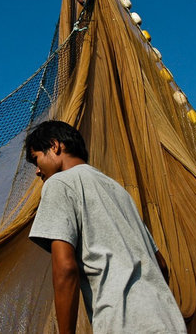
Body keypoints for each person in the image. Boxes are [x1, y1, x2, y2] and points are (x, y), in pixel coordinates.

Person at [26, 120, 187, 333]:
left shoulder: (59, 184)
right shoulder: (120, 192)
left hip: (124, 322)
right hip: (168, 321)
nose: (37, 171)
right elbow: (162, 265)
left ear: (55, 146)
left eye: (36, 158)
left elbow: (65, 268)